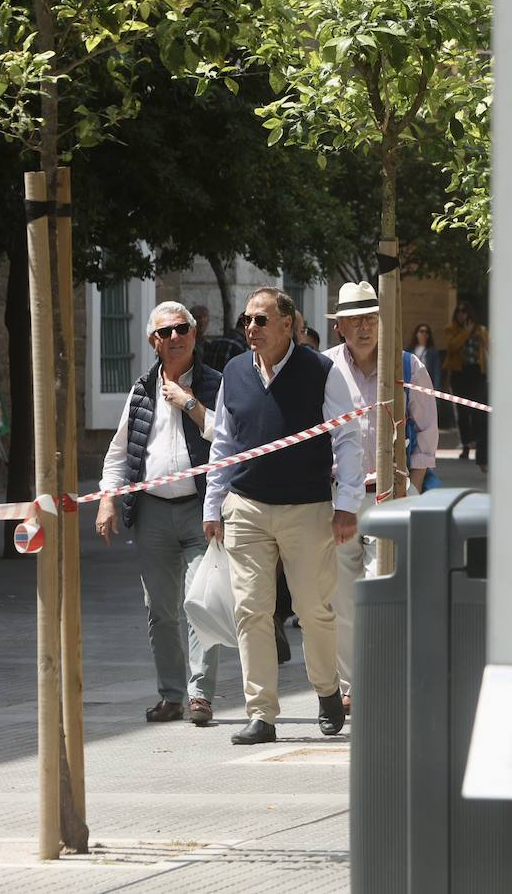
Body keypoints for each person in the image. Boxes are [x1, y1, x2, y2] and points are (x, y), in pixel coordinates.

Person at [203, 287, 364, 745]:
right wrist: (213, 504)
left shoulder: (320, 371)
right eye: (247, 320)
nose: (250, 328)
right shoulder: (234, 373)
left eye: (261, 320)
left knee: (315, 610)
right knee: (251, 610)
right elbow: (223, 443)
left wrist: (347, 505)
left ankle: (328, 689)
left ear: (288, 324)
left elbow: (347, 440)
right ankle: (261, 713)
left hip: (307, 508)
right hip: (247, 506)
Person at [96, 301, 222, 726]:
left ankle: (200, 695)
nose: (174, 338)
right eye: (165, 332)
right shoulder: (140, 390)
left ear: (194, 333)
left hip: (200, 509)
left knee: (200, 602)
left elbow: (227, 438)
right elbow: (120, 451)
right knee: (160, 609)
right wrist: (108, 498)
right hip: (151, 511)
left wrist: (188, 403)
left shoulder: (214, 383)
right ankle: (171, 695)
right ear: (153, 341)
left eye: (181, 329)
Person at [324, 282, 438, 713]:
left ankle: (387, 674)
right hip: (341, 497)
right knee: (344, 594)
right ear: (340, 328)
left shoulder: (407, 367)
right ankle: (353, 683)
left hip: (392, 493)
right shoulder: (327, 368)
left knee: (386, 586)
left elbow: (427, 430)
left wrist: (415, 486)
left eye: (371, 318)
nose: (365, 327)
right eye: (355, 320)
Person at [443, 300, 489, 470]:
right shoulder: (451, 329)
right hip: (459, 374)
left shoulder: (480, 330)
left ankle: (479, 447)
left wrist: (478, 335)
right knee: (462, 413)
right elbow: (452, 346)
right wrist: (465, 333)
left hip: (477, 373)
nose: (462, 315)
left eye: (465, 311)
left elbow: (489, 348)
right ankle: (465, 446)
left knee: (478, 412)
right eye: (459, 312)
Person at [408, 323, 442, 394]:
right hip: (412, 383)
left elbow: (436, 371)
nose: (424, 334)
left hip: (427, 384)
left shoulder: (433, 352)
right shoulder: (409, 350)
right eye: (421, 331)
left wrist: (436, 389)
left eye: (427, 332)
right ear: (416, 334)